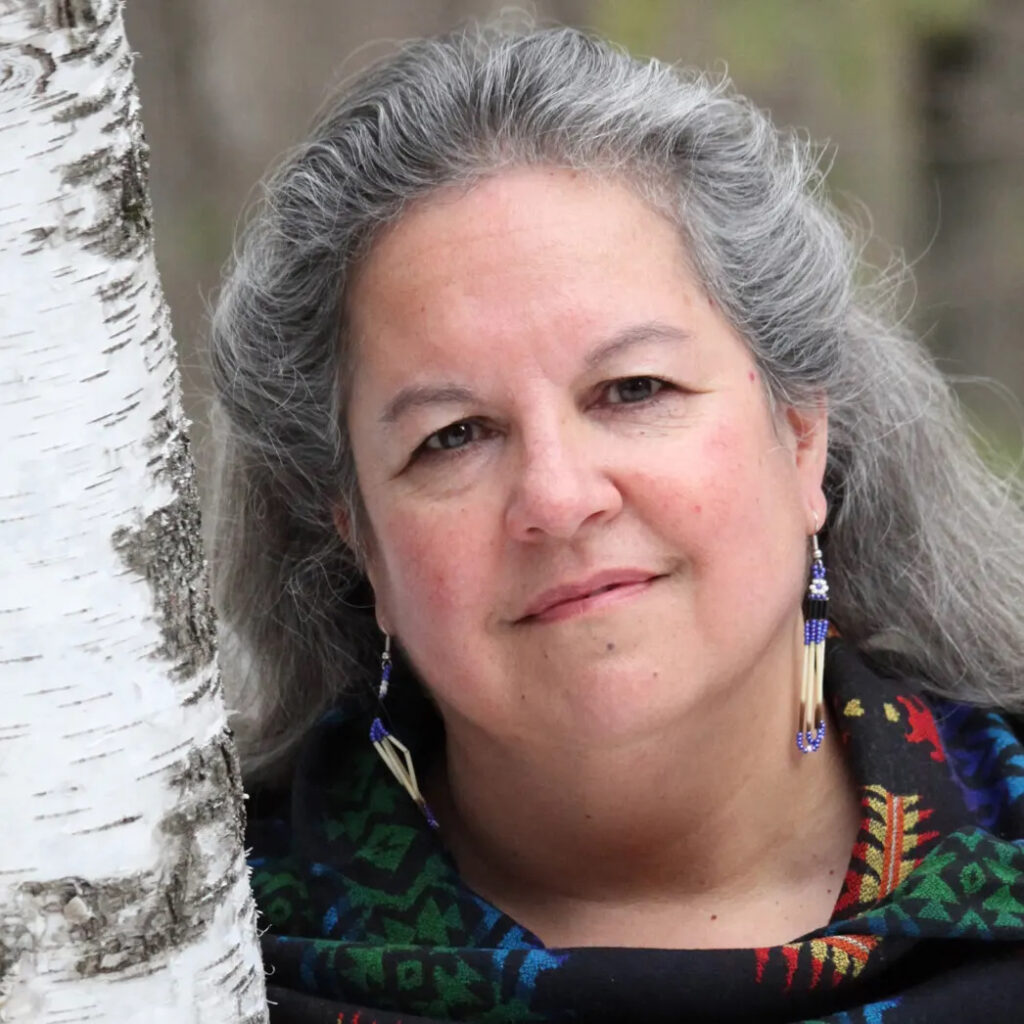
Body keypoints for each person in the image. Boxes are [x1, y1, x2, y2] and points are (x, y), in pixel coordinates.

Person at [208, 20, 1024, 1024]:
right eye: (453, 436)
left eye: (633, 388)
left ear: (801, 434)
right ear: (358, 536)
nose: (557, 495)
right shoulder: (179, 951)